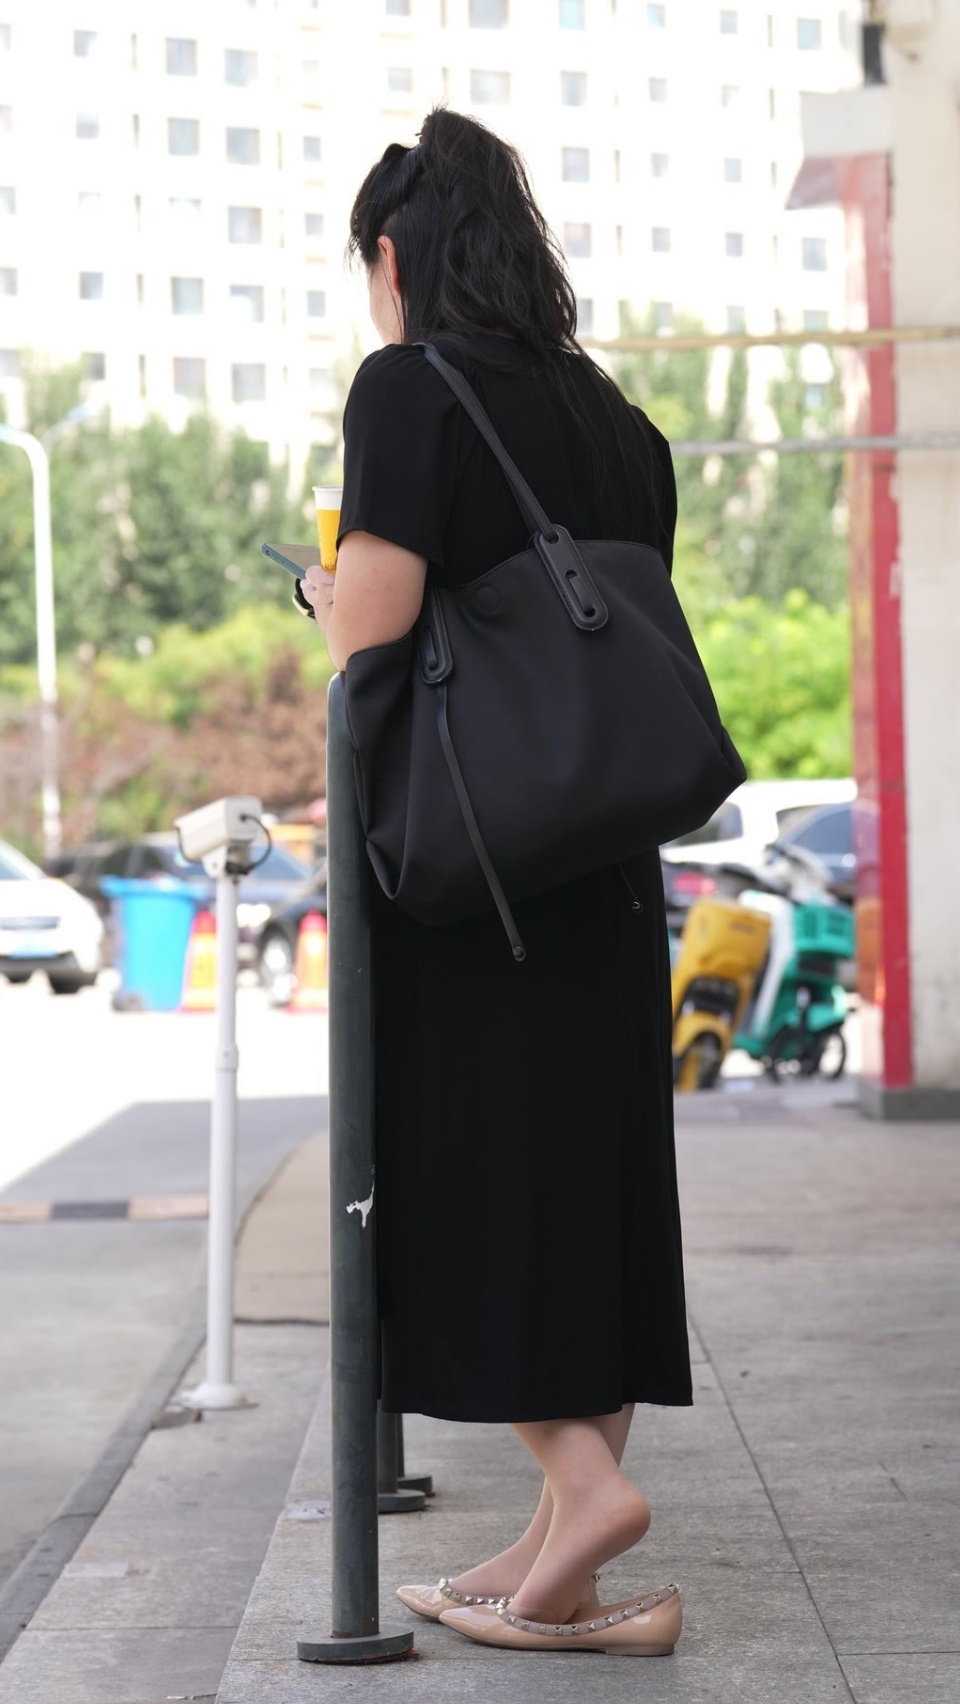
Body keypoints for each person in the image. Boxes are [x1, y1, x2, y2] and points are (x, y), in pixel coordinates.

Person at [299, 108, 690, 1658]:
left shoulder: (409, 388)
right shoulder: (615, 418)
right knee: (589, 1181)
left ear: (395, 262)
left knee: (471, 1176)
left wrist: (326, 590)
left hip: (476, 870)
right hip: (605, 865)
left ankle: (583, 1492)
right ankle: (553, 1560)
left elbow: (376, 627)